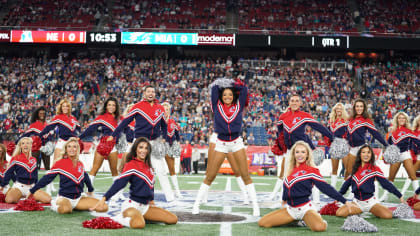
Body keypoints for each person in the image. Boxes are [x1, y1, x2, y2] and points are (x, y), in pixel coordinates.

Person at [192, 78, 259, 216]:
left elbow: (244, 90)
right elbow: (215, 89)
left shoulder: (239, 106)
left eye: (230, 94)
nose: (227, 97)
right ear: (221, 97)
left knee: (245, 175)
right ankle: (196, 204)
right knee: (210, 175)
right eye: (225, 95)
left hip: (236, 142)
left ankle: (255, 207)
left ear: (234, 96)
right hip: (221, 143)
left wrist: (235, 85)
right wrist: (222, 83)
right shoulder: (216, 106)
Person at [258, 141, 352, 231]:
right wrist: (283, 201)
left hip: (305, 209)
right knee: (263, 223)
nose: (300, 154)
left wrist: (344, 201)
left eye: (303, 152)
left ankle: (315, 218)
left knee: (319, 228)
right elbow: (286, 190)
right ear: (294, 155)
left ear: (307, 155)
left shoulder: (311, 171)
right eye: (297, 152)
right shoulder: (290, 172)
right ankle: (296, 221)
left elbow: (326, 188)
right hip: (291, 210)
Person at [90, 137, 178, 228]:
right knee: (139, 224)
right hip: (132, 205)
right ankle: (118, 218)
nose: (143, 150)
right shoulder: (131, 164)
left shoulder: (148, 167)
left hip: (145, 207)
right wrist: (104, 198)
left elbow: (150, 186)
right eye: (140, 147)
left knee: (173, 219)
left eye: (146, 148)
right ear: (135, 149)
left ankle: (139, 217)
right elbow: (119, 183)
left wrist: (151, 200)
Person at [108, 85, 174, 202]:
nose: (151, 93)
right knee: (127, 169)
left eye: (153, 91)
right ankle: (115, 195)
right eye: (148, 91)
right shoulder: (138, 106)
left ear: (155, 94)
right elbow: (125, 122)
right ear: (144, 93)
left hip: (154, 143)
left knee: (161, 171)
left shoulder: (160, 108)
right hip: (138, 142)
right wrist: (113, 134)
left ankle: (171, 198)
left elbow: (164, 125)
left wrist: (164, 138)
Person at [270, 94, 334, 205]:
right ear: (289, 102)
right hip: (290, 151)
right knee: (287, 175)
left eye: (297, 101)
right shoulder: (283, 117)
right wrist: (280, 145)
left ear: (300, 103)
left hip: (303, 150)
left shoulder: (304, 115)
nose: (294, 103)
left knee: (311, 174)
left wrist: (333, 137)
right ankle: (284, 201)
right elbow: (280, 133)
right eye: (292, 100)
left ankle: (317, 201)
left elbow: (318, 127)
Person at [30, 137, 108, 214]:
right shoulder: (60, 163)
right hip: (64, 198)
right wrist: (33, 190)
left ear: (77, 149)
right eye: (69, 146)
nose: (72, 149)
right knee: (66, 210)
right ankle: (54, 204)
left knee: (103, 207)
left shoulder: (80, 163)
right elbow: (47, 178)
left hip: (78, 199)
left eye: (74, 147)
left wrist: (90, 190)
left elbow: (85, 177)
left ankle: (76, 207)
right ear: (66, 149)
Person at [337, 145, 405, 218]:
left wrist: (399, 195)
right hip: (357, 203)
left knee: (388, 215)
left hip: (371, 203)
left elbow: (386, 184)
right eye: (363, 152)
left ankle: (375, 210)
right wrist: (338, 196)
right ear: (360, 155)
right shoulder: (355, 169)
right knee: (339, 213)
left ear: (371, 155)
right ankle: (358, 211)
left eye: (368, 152)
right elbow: (346, 185)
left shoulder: (374, 169)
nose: (366, 155)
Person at [79, 97, 121, 189]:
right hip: (103, 145)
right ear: (106, 106)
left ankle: (117, 193)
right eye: (109, 105)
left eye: (113, 105)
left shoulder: (119, 119)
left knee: (114, 171)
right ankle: (88, 190)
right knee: (94, 169)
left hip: (113, 147)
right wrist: (79, 138)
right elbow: (90, 129)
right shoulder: (101, 117)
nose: (111, 107)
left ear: (116, 107)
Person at [343, 99, 388, 179]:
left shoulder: (366, 120)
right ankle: (346, 191)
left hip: (362, 148)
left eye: (361, 106)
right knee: (348, 172)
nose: (359, 108)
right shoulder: (350, 119)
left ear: (364, 108)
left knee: (370, 172)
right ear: (354, 108)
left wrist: (386, 144)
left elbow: (375, 133)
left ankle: (374, 191)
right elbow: (345, 133)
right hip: (352, 149)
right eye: (357, 106)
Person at [380, 112, 419, 201]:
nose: (401, 119)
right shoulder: (392, 131)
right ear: (397, 120)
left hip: (405, 154)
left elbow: (417, 142)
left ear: (406, 120)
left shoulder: (409, 131)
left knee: (413, 176)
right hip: (395, 155)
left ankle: (417, 196)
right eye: (399, 118)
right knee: (391, 178)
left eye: (403, 118)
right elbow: (388, 144)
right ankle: (385, 196)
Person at [0, 137, 49, 204]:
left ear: (31, 145)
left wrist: (36, 188)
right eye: (23, 143)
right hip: (20, 187)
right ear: (20, 146)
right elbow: (9, 173)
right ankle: (19, 194)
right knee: (9, 200)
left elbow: (36, 176)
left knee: (47, 199)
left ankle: (29, 195)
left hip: (32, 187)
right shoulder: (15, 158)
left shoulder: (34, 159)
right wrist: (2, 185)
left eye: (27, 143)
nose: (25, 145)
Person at [39, 99, 81, 164]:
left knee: (72, 164)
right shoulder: (58, 117)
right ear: (61, 107)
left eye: (67, 106)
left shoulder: (73, 118)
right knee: (56, 163)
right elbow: (48, 128)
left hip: (72, 142)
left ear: (69, 108)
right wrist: (39, 135)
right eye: (63, 106)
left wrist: (79, 137)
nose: (65, 108)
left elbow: (79, 129)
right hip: (62, 141)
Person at [161, 102, 182, 197]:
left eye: (166, 109)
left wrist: (177, 142)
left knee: (172, 169)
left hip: (170, 146)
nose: (165, 111)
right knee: (158, 169)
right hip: (159, 146)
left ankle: (177, 191)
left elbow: (177, 134)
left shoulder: (172, 121)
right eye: (163, 110)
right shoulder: (157, 121)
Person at [327, 103, 349, 189]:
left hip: (344, 144)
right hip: (334, 145)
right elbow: (328, 134)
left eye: (340, 108)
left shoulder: (346, 121)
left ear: (343, 110)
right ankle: (332, 189)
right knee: (334, 169)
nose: (339, 110)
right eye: (337, 108)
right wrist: (329, 145)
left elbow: (349, 134)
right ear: (335, 110)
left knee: (348, 168)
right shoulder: (331, 121)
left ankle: (347, 188)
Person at [20, 107, 49, 171]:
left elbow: (48, 136)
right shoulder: (34, 125)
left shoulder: (46, 124)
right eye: (40, 113)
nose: (42, 115)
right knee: (32, 165)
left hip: (46, 146)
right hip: (36, 147)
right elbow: (26, 134)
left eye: (43, 114)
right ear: (37, 115)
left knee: (48, 167)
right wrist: (17, 141)